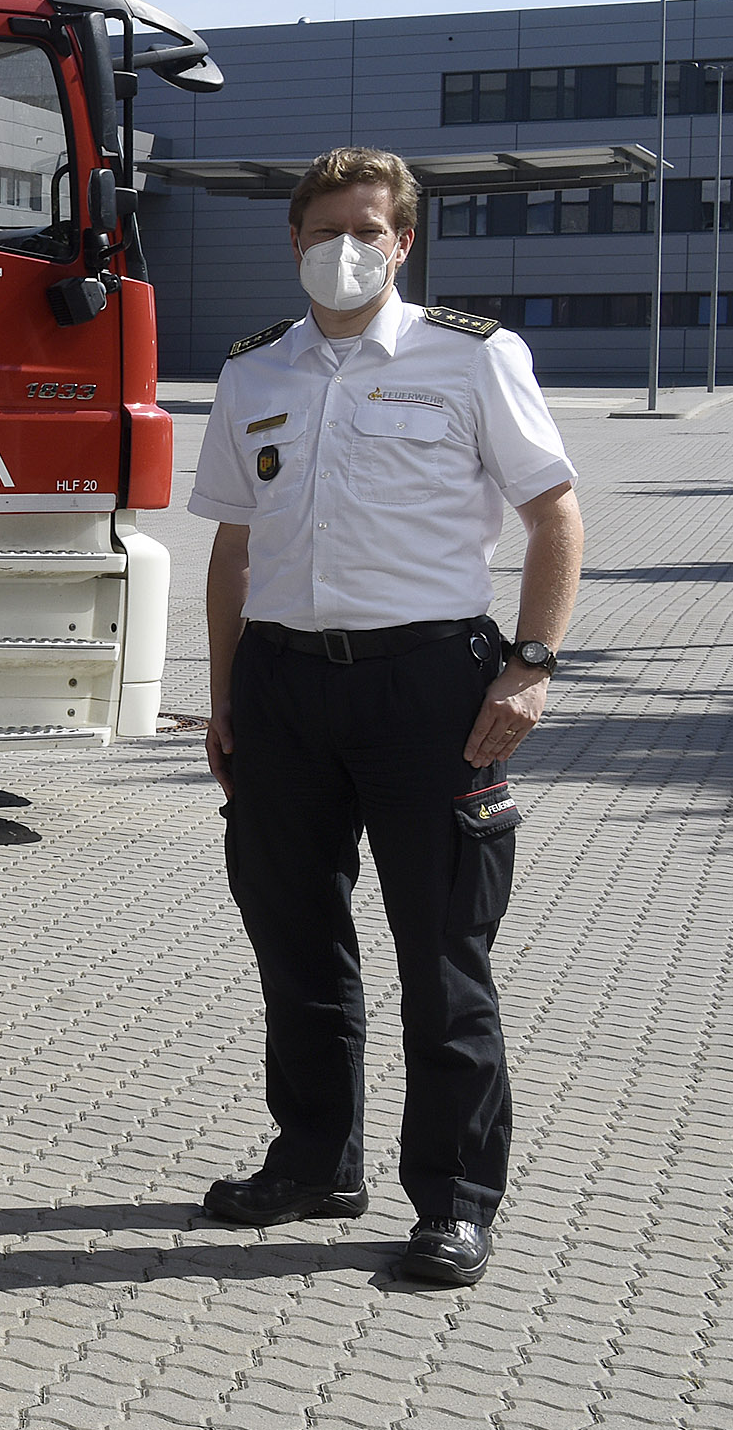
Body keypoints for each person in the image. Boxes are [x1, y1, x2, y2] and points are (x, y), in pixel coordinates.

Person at [190, 146, 580, 1290]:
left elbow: (556, 515)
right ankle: (316, 1159)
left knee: (442, 954)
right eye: (323, 231)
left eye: (367, 230)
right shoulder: (253, 371)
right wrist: (225, 695)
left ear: (404, 241)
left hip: (431, 691)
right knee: (294, 941)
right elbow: (232, 548)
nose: (344, 249)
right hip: (285, 689)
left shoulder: (473, 356)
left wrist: (531, 665)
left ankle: (454, 1198)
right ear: (294, 242)